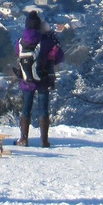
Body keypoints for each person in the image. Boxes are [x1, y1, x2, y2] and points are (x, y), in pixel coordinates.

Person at [14, 11, 65, 148]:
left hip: (27, 81)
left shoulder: (20, 41)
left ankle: (23, 139)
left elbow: (18, 55)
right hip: (43, 79)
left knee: (26, 110)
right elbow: (59, 57)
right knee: (43, 110)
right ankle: (44, 140)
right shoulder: (47, 41)